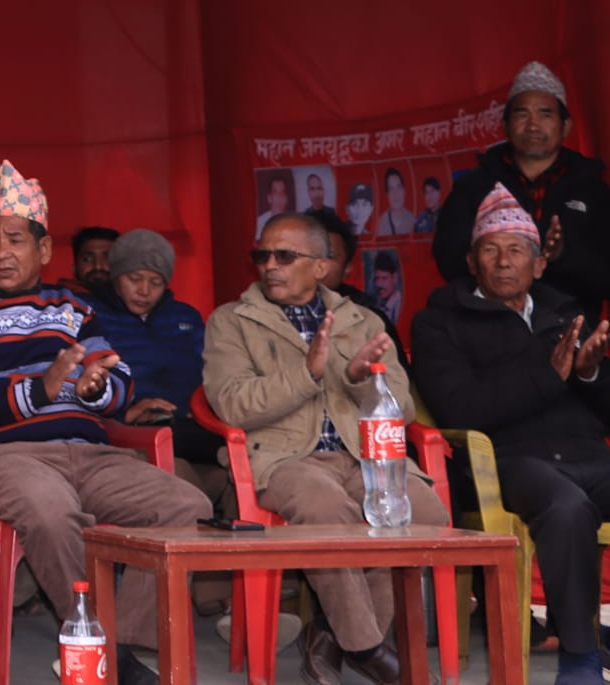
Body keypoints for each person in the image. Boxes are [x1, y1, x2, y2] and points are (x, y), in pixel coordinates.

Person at [0, 162, 210, 685]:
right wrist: (39, 389)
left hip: (93, 451)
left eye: (14, 240)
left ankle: (115, 644)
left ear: (44, 249)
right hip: (13, 455)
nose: (0, 252)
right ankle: (106, 652)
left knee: (187, 506)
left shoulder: (74, 306)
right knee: (52, 515)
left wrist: (95, 388)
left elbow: (118, 379)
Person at [204, 212, 449, 685]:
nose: (269, 266)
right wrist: (307, 375)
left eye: (284, 256)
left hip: (363, 456)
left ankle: (331, 636)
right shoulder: (232, 321)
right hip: (285, 459)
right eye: (262, 255)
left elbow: (402, 410)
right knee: (328, 510)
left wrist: (359, 381)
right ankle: (368, 649)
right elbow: (232, 404)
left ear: (321, 266)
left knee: (423, 512)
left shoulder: (362, 321)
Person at [412, 185, 610, 685]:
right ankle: (581, 659)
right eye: (490, 250)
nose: (504, 262)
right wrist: (549, 376)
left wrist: (590, 374)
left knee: (577, 495)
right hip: (509, 464)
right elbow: (460, 409)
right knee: (566, 506)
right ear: (471, 261)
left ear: (539, 264)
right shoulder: (439, 323)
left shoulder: (568, 316)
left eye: (517, 250)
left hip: (589, 456)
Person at [432, 62, 610, 319]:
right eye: (522, 114)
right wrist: (499, 266)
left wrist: (562, 255)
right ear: (505, 125)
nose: (533, 125)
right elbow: (450, 259)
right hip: (488, 324)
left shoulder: (593, 189)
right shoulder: (474, 186)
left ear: (566, 126)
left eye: (545, 114)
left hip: (571, 327)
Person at [86, 229, 221, 466]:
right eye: (134, 279)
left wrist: (202, 410)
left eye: (156, 282)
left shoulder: (186, 317)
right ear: (115, 276)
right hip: (127, 434)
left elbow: (214, 374)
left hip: (189, 427)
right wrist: (127, 414)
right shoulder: (91, 315)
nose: (144, 291)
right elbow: (83, 385)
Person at [314, 210, 403, 354]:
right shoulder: (275, 312)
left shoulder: (369, 320)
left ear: (347, 269)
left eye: (329, 256)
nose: (317, 264)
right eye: (309, 254)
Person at [70, 225, 118, 293]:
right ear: (74, 268)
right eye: (87, 259)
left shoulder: (132, 298)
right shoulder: (58, 298)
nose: (98, 266)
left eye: (108, 258)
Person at [365, 249, 403, 326]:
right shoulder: (377, 305)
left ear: (394, 278)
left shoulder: (399, 305)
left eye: (384, 278)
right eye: (377, 278)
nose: (379, 284)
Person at [377, 169, 416, 238]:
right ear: (387, 195)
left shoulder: (413, 221)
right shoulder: (380, 224)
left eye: (398, 187)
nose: (395, 193)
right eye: (391, 189)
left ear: (404, 191)